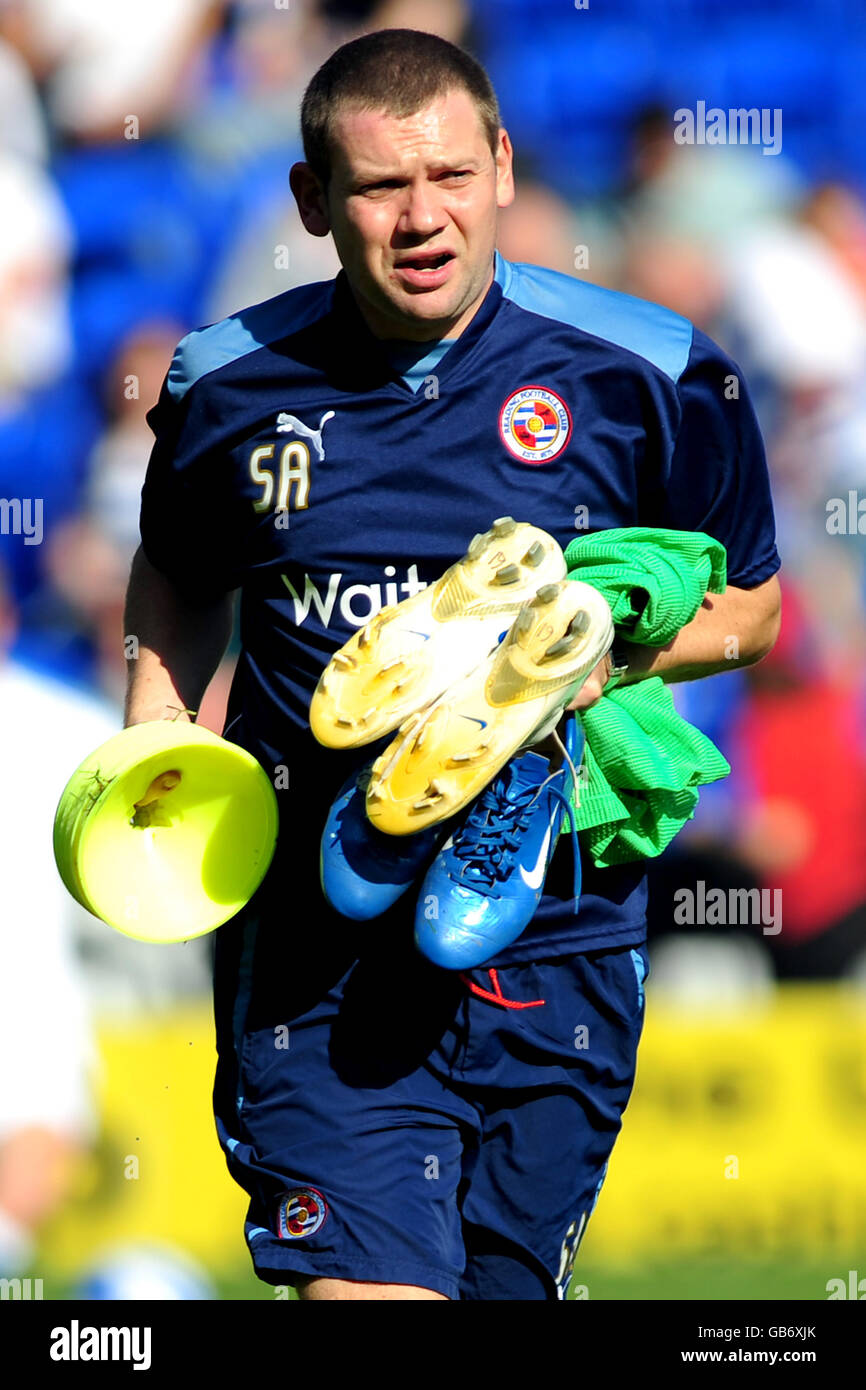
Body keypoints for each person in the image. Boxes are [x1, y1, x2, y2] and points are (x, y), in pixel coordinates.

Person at [123, 28, 781, 1300]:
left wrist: (595, 661)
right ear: (314, 203)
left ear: (502, 167)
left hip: (559, 930)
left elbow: (750, 606)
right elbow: (177, 571)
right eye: (377, 187)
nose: (421, 218)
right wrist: (160, 715)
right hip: (318, 928)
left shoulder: (650, 371)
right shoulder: (223, 387)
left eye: (451, 178)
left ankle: (504, 753)